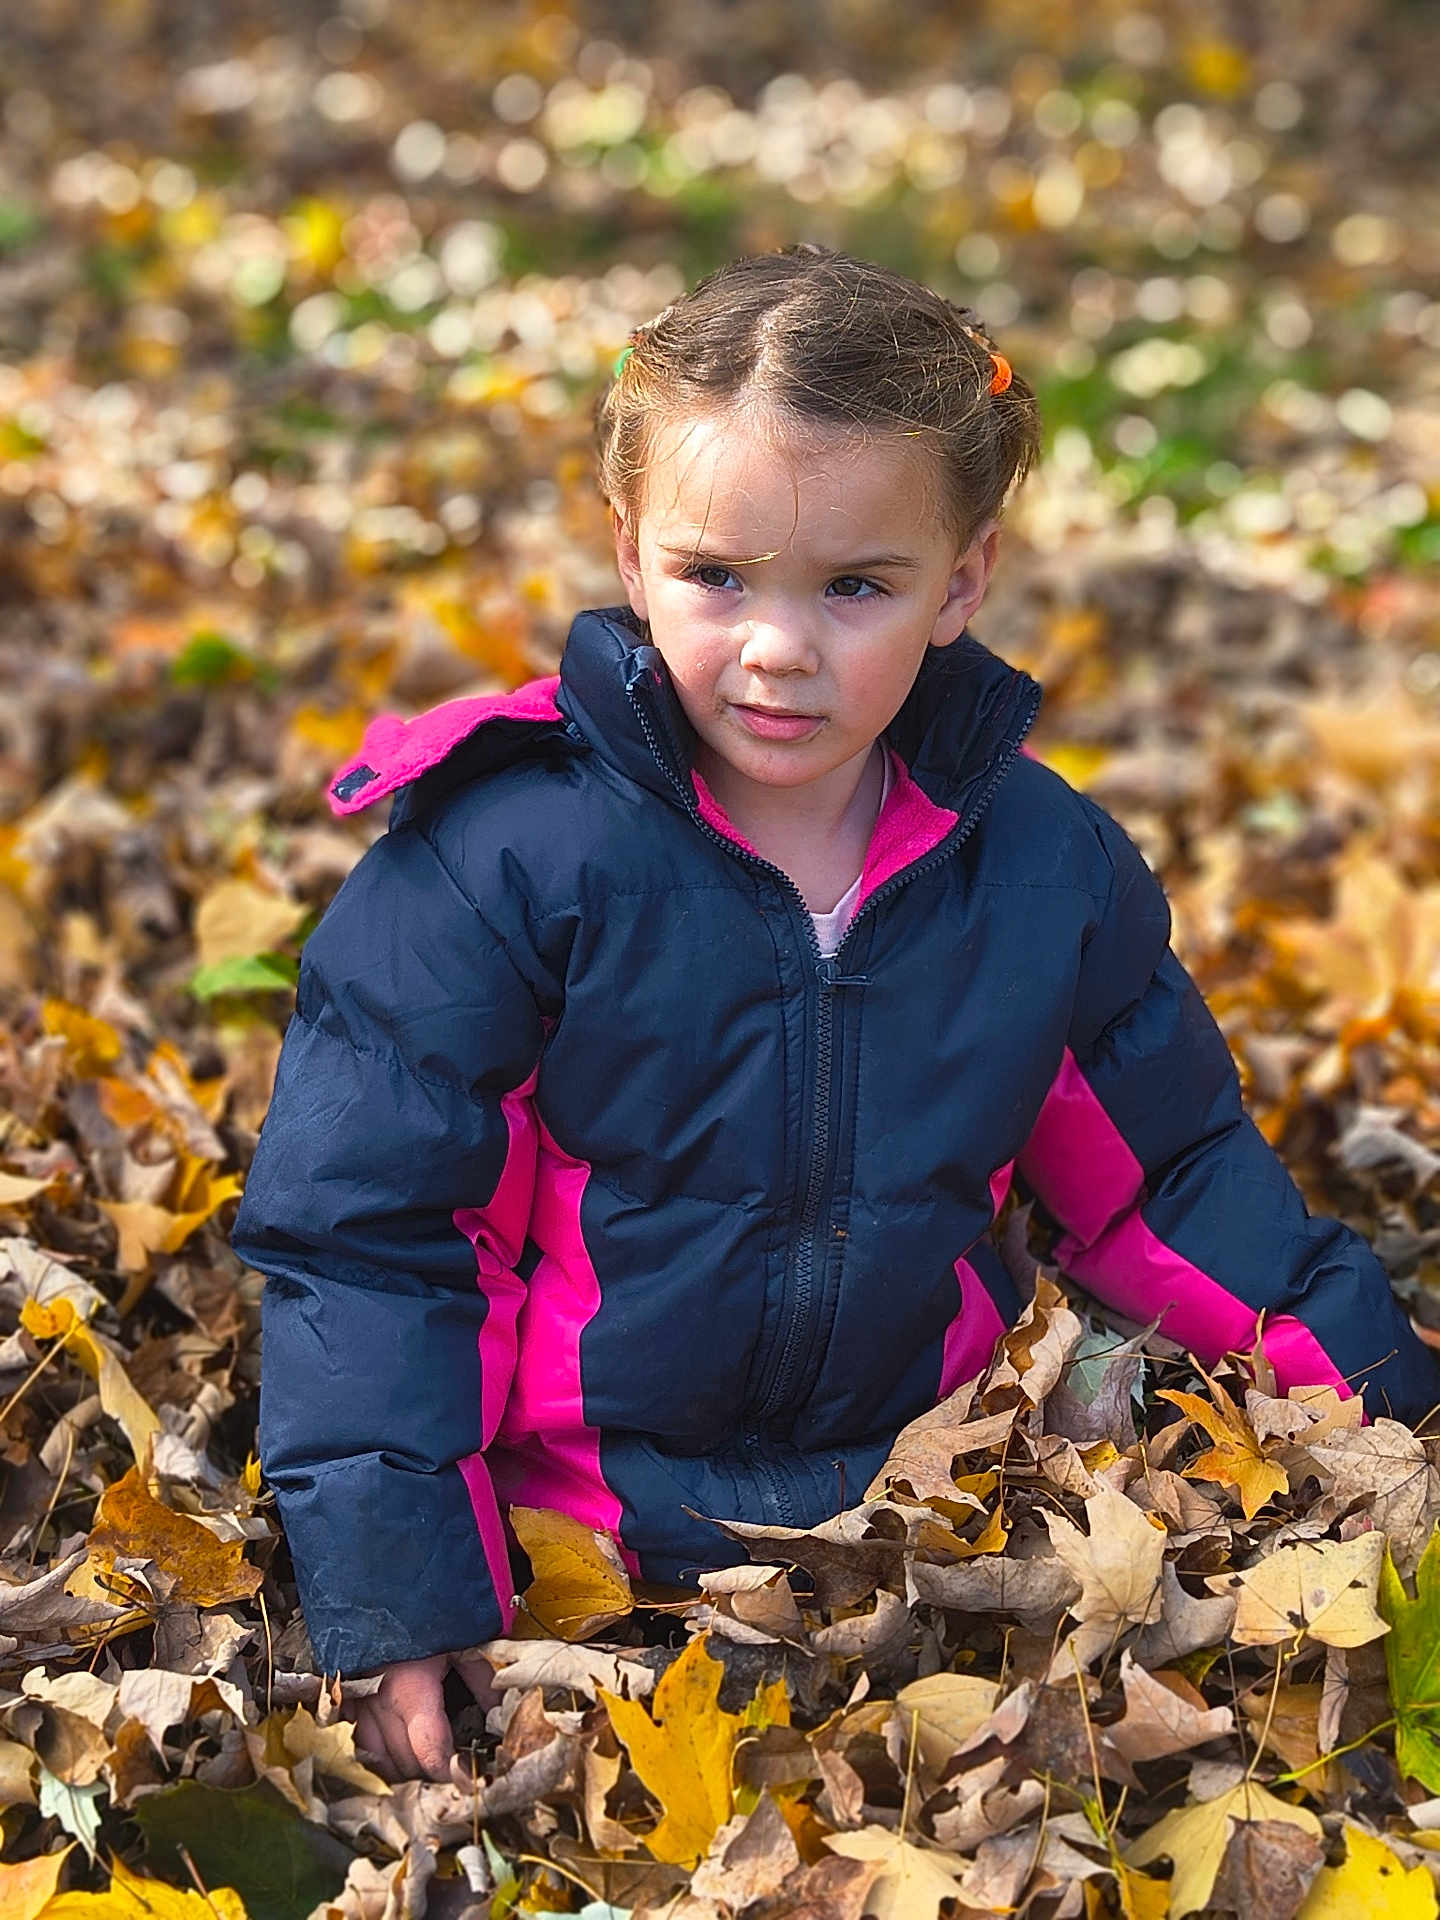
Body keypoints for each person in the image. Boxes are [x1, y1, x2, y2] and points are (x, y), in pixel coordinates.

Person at [230, 242, 1438, 1782]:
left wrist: (1395, 1402)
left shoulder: (1036, 868)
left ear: (966, 579)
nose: (779, 647)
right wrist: (404, 1593)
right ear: (629, 550)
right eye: (716, 576)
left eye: (855, 586)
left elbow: (1173, 1181)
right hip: (574, 1549)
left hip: (916, 1525)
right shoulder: (504, 861)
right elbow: (372, 1233)